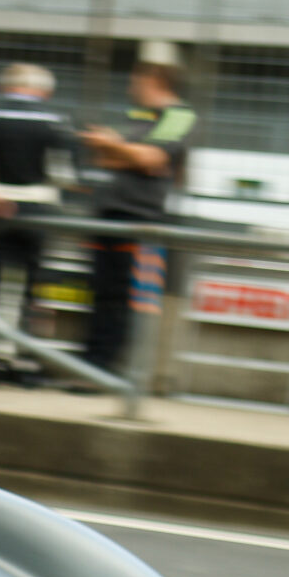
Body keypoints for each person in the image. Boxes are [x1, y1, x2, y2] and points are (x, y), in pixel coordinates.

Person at [75, 59, 195, 379]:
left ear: (154, 81)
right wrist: (125, 152)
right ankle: (91, 366)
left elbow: (152, 158)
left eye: (135, 81)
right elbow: (109, 159)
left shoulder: (177, 116)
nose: (130, 87)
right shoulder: (140, 117)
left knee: (121, 297)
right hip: (110, 215)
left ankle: (105, 371)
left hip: (138, 219)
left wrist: (117, 146)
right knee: (102, 293)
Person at [0, 63, 73, 385]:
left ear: (6, 86)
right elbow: (66, 174)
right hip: (38, 209)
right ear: (44, 90)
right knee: (33, 288)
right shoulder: (54, 122)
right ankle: (25, 361)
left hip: (0, 208)